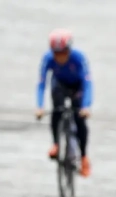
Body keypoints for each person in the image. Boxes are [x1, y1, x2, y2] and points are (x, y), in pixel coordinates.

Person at [35, 29, 92, 177]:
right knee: (56, 112)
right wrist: (39, 107)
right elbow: (41, 84)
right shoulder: (48, 59)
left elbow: (87, 83)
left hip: (77, 86)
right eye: (56, 54)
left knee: (80, 120)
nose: (60, 58)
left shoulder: (78, 58)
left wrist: (85, 107)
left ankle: (84, 156)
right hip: (59, 84)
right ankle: (56, 143)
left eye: (63, 53)